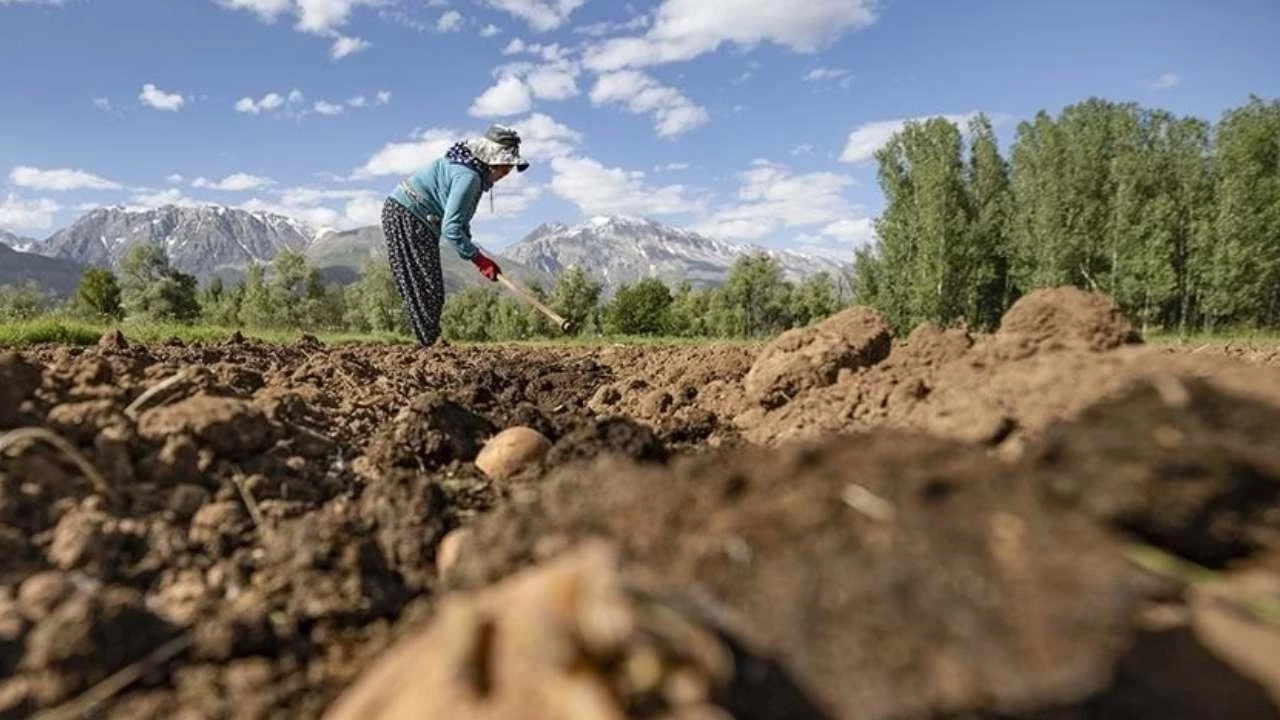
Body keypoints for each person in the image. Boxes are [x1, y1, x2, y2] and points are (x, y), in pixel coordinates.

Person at [381, 124, 529, 346]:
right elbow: (451, 229)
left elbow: (460, 222)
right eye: (505, 167)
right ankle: (429, 345)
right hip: (408, 214)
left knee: (429, 288)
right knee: (427, 288)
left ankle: (429, 343)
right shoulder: (468, 177)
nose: (505, 174)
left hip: (415, 216)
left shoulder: (473, 172)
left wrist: (476, 255)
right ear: (492, 161)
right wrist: (478, 259)